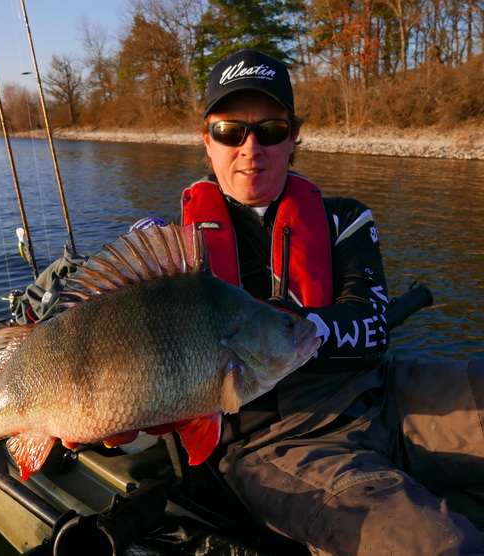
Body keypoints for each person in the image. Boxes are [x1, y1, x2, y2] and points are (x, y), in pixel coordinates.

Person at [176, 48, 484, 555]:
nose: (251, 148)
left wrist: (298, 327)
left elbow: (371, 323)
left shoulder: (345, 217)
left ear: (294, 136)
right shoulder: (176, 251)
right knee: (438, 546)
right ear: (206, 140)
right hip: (275, 442)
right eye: (232, 131)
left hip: (385, 393)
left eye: (271, 130)